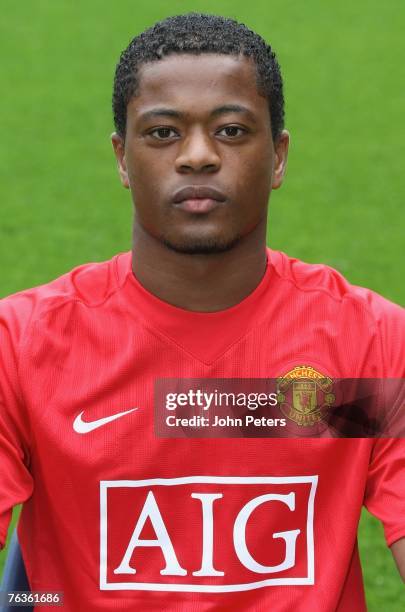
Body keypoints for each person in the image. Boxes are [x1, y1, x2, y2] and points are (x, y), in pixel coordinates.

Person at [0, 12, 404, 611]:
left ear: (279, 156)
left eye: (233, 131)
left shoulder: (367, 344)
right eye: (163, 133)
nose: (197, 157)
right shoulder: (23, 347)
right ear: (120, 157)